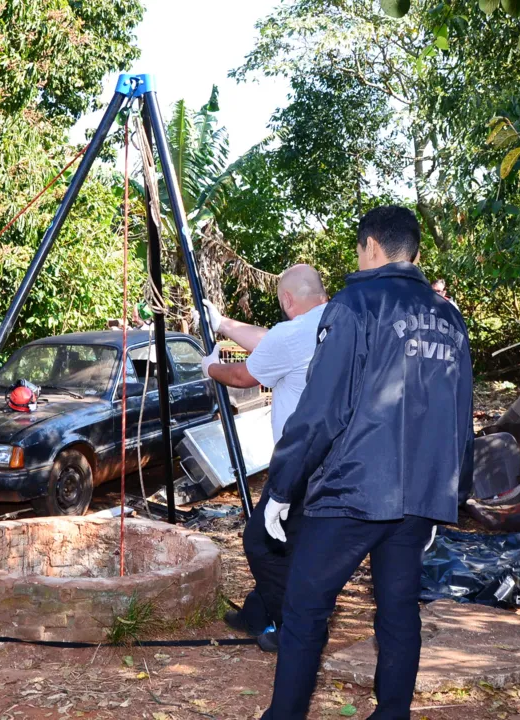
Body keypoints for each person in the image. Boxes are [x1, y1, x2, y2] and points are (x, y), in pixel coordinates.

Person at [260, 206, 473, 720]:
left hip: (353, 492)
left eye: (358, 249)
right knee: (399, 612)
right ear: (413, 252)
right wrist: (450, 497)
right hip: (418, 496)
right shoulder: (449, 318)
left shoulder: (356, 305)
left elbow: (319, 412)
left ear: (371, 247)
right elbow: (460, 416)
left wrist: (282, 486)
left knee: (306, 607)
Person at [195, 264, 329, 652]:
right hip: (332, 459)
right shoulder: (335, 320)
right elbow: (271, 340)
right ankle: (258, 611)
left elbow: (242, 376)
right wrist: (223, 324)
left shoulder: (292, 334)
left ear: (287, 299)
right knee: (285, 538)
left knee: (261, 540)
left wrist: (210, 367)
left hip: (300, 461)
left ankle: (294, 628)